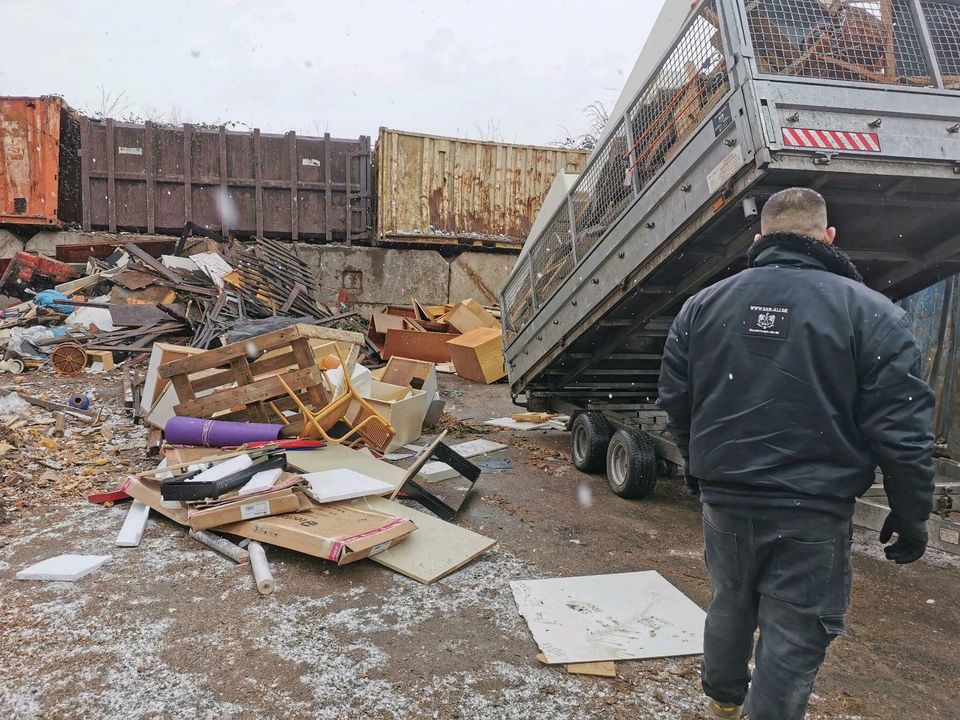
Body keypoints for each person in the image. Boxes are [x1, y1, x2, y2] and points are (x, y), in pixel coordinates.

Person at [657, 187, 935, 720]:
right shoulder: (873, 315)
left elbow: (678, 401)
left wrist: (699, 469)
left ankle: (721, 702)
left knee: (731, 602)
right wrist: (911, 512)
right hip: (813, 509)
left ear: (759, 239)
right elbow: (903, 430)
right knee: (794, 632)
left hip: (728, 500)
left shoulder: (701, 307)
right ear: (828, 238)